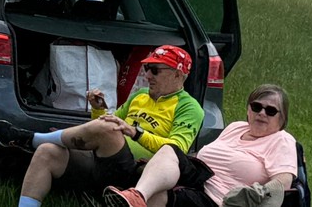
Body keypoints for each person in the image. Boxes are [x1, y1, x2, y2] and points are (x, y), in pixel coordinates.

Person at [0, 44, 203, 207]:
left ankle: (32, 139)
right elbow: (107, 125)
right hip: (105, 161)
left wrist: (135, 132)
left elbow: (177, 151)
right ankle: (38, 147)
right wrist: (98, 110)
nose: (147, 76)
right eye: (147, 68)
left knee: (110, 129)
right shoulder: (140, 95)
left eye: (155, 70)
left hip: (137, 173)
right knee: (47, 151)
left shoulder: (189, 107)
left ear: (178, 75)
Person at [102, 84, 297, 207]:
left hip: (221, 200)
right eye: (256, 107)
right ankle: (136, 195)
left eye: (271, 111)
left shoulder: (281, 140)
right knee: (170, 150)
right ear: (248, 110)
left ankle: (132, 198)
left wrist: (257, 194)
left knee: (158, 198)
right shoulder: (236, 127)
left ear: (282, 118)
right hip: (200, 178)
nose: (262, 113)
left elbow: (283, 181)